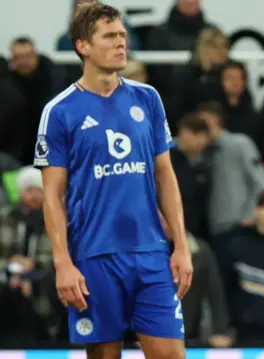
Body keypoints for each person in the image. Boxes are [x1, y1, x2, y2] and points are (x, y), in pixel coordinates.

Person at [33, 2, 192, 359]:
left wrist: (180, 245)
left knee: (171, 355)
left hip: (151, 252)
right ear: (83, 46)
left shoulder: (147, 98)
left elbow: (165, 175)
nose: (121, 43)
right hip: (94, 254)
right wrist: (62, 262)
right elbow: (53, 196)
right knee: (104, 355)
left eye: (122, 35)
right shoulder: (59, 111)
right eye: (110, 36)